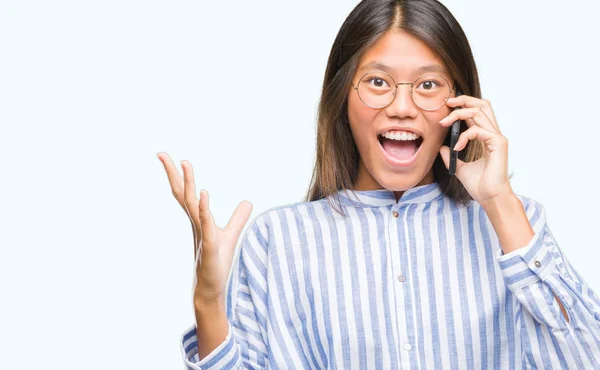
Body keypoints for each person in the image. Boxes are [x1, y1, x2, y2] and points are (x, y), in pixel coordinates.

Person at [157, 0, 600, 368]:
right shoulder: (279, 241)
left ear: (459, 103)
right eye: (377, 82)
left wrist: (499, 202)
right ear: (341, 98)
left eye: (428, 84)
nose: (402, 107)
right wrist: (209, 301)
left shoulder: (515, 228)